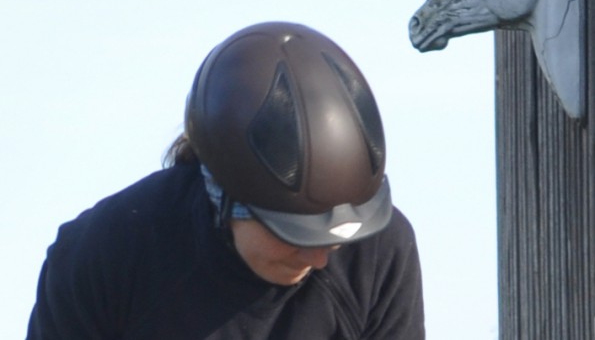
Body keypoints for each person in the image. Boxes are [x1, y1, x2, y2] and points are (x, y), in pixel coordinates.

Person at [27, 21, 425, 339]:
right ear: (222, 196)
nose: (319, 259)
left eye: (336, 241)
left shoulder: (377, 255)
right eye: (295, 234)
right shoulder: (102, 257)